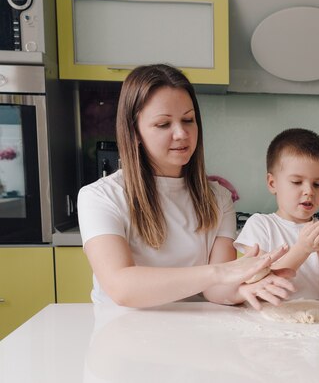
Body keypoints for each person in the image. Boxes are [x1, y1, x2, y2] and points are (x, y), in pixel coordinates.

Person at [77, 64, 295, 310]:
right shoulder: (100, 197)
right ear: (134, 132)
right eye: (163, 124)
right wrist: (220, 272)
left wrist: (245, 287)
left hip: (193, 336)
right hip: (123, 336)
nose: (181, 133)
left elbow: (215, 290)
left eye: (188, 120)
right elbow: (122, 287)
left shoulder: (218, 198)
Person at [234, 128, 319, 300]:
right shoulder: (260, 225)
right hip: (270, 321)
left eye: (318, 184)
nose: (309, 191)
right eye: (297, 182)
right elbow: (259, 286)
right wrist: (302, 249)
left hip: (318, 321)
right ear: (272, 183)